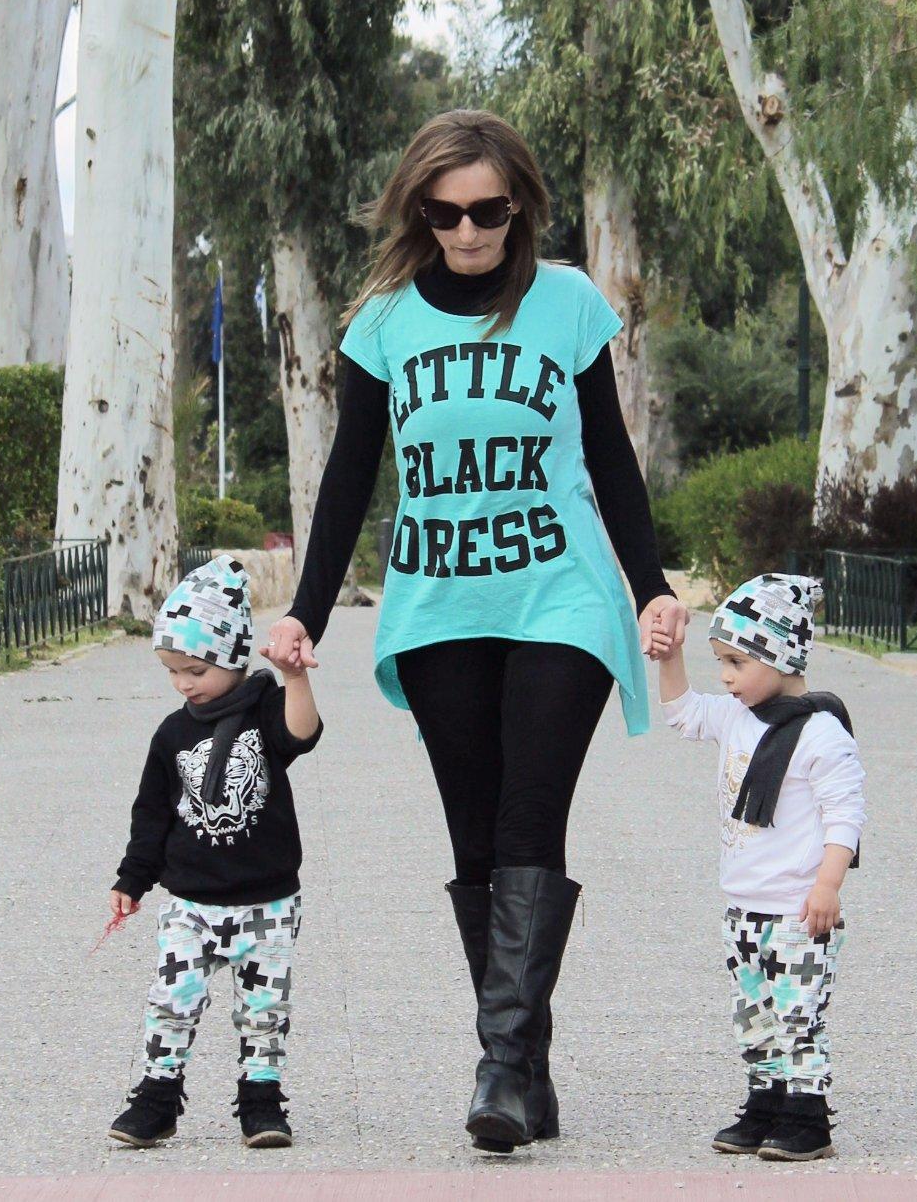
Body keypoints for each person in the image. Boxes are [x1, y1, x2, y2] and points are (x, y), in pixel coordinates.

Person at [264, 107, 690, 1153]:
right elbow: (350, 475)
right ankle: (527, 1071)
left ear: (520, 207)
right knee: (475, 834)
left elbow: (609, 454)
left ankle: (498, 1067)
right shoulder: (383, 324)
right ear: (420, 212)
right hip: (438, 604)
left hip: (561, 596)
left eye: (487, 211)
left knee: (528, 819)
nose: (466, 232)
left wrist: (650, 586)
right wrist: (306, 610)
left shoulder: (567, 303)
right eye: (444, 213)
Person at [107, 555, 323, 1150]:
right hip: (191, 903)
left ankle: (261, 1101)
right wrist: (132, 879)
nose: (184, 683)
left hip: (267, 902)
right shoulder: (171, 734)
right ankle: (157, 1099)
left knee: (264, 1009)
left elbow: (302, 733)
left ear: (233, 657)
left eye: (196, 669)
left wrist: (295, 679)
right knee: (171, 1002)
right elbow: (151, 815)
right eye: (172, 671)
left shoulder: (263, 712)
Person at [657, 572, 865, 1162]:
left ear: (780, 655)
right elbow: (682, 713)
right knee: (754, 1015)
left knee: (798, 1015)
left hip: (799, 909)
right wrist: (670, 658)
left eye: (737, 662)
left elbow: (845, 815)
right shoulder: (734, 716)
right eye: (720, 662)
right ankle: (765, 1102)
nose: (725, 677)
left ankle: (808, 1117)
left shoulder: (822, 734)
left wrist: (828, 885)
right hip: (743, 907)